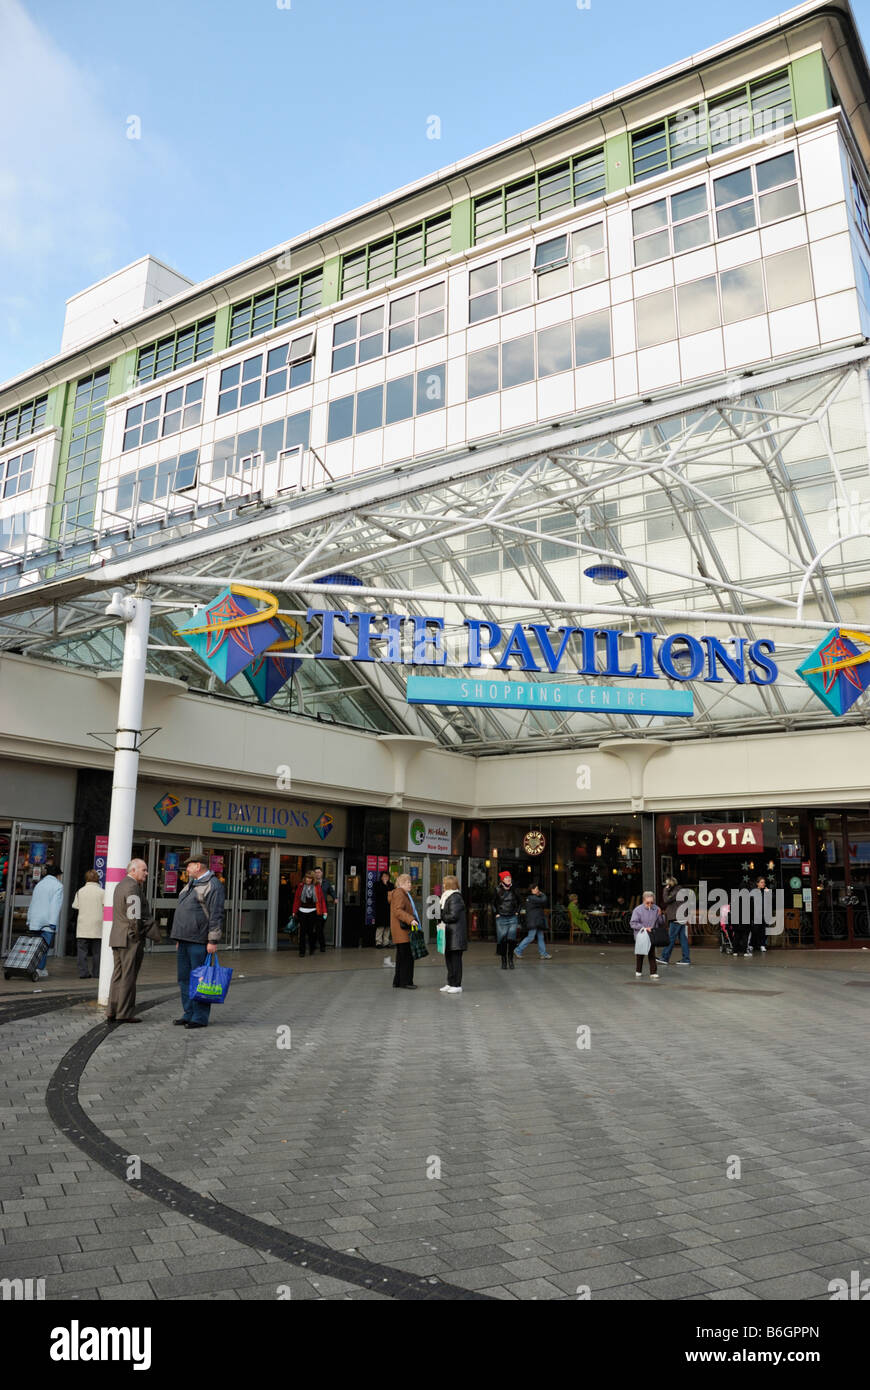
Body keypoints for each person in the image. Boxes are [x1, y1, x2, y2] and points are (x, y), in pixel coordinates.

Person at [170, 857, 225, 1029]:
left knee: (200, 980)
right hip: (185, 939)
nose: (186, 869)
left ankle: (199, 1017)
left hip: (199, 941)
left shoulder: (213, 885)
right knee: (184, 979)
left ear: (198, 866)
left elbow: (216, 915)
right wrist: (179, 938)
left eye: (189, 866)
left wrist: (213, 940)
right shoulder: (192, 883)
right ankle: (188, 1013)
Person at [107, 858, 153, 1022]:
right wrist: (137, 935)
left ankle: (112, 1009)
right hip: (129, 939)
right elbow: (134, 916)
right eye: (144, 870)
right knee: (128, 976)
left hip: (117, 936)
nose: (146, 873)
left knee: (118, 975)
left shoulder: (121, 885)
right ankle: (124, 1013)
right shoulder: (132, 887)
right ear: (133, 870)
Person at [26, 863, 63, 980]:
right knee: (44, 947)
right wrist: (53, 922)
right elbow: (55, 906)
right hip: (47, 922)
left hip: (35, 920)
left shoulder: (39, 884)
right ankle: (40, 969)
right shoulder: (58, 886)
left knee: (34, 946)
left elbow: (33, 902)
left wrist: (29, 919)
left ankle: (31, 966)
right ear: (57, 875)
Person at [72, 868, 104, 978]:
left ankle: (83, 972)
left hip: (83, 925)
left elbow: (75, 906)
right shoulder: (102, 892)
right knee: (97, 951)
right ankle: (97, 973)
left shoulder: (80, 891)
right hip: (98, 925)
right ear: (97, 879)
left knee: (82, 951)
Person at [390, 872, 419, 989]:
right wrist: (411, 919)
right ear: (401, 883)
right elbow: (398, 910)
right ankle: (406, 982)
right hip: (402, 931)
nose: (410, 884)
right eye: (408, 882)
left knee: (401, 957)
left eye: (410, 882)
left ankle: (398, 981)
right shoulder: (399, 894)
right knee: (407, 957)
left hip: (401, 931)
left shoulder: (402, 893)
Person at [439, 875, 467, 993]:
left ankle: (457, 985)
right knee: (449, 959)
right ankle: (450, 982)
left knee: (455, 961)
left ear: (449, 885)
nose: (443, 886)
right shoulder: (447, 897)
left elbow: (453, 916)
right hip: (450, 934)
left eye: (444, 883)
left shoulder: (455, 897)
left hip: (456, 935)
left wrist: (442, 916)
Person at [630, 889, 662, 980]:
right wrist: (644, 927)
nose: (650, 905)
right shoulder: (638, 910)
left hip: (651, 934)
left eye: (651, 902)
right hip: (641, 934)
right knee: (640, 952)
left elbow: (661, 922)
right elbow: (633, 923)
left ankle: (653, 972)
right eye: (648, 903)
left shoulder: (656, 908)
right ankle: (638, 970)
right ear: (644, 900)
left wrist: (660, 915)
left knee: (651, 952)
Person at [658, 875, 690, 967]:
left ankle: (664, 957)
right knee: (683, 939)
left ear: (671, 883)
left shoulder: (677, 891)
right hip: (681, 917)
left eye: (667, 883)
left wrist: (665, 890)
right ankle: (686, 959)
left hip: (677, 918)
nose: (667, 885)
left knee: (671, 938)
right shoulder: (679, 890)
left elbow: (666, 900)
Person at [293, 871, 327, 957]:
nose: (308, 880)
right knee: (302, 932)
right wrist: (294, 911)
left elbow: (321, 899)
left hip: (313, 912)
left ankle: (312, 948)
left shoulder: (317, 886)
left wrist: (324, 911)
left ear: (313, 879)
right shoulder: (300, 886)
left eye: (310, 878)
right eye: (307, 878)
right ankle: (302, 951)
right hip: (302, 912)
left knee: (311, 932)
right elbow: (297, 899)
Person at [515, 882, 552, 960]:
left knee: (540, 937)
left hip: (537, 920)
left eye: (538, 889)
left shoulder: (533, 898)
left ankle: (543, 954)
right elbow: (543, 900)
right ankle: (518, 950)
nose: (538, 890)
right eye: (536, 889)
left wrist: (540, 895)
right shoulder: (532, 898)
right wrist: (542, 894)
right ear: (532, 890)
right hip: (534, 921)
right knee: (531, 937)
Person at [493, 870, 520, 970]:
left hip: (512, 917)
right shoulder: (497, 889)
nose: (508, 879)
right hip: (501, 918)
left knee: (511, 940)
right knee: (503, 940)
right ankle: (503, 961)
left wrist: (517, 911)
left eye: (509, 878)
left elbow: (520, 902)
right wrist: (496, 913)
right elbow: (493, 903)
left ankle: (511, 960)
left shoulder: (515, 889)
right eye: (506, 878)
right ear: (502, 880)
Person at [313, 867, 334, 954]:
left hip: (323, 909)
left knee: (320, 928)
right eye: (316, 872)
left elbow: (331, 891)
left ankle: (320, 945)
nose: (317, 874)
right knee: (315, 928)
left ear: (322, 873)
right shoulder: (312, 882)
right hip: (314, 908)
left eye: (319, 872)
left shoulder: (326, 882)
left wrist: (335, 898)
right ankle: (317, 945)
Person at [374, 870, 394, 964]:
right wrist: (385, 885)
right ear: (381, 877)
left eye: (387, 876)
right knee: (380, 925)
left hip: (389, 908)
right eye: (384, 876)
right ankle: (378, 942)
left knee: (388, 926)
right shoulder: (377, 884)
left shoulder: (391, 885)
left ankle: (386, 942)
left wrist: (387, 885)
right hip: (380, 908)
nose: (385, 878)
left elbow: (392, 895)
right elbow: (378, 894)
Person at [749, 876, 770, 955]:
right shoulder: (753, 892)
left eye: (764, 882)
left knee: (764, 931)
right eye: (761, 882)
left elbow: (771, 902)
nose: (763, 884)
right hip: (756, 914)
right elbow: (750, 903)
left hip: (765, 914)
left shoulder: (766, 891)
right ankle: (751, 944)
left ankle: (762, 945)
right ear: (757, 883)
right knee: (755, 930)